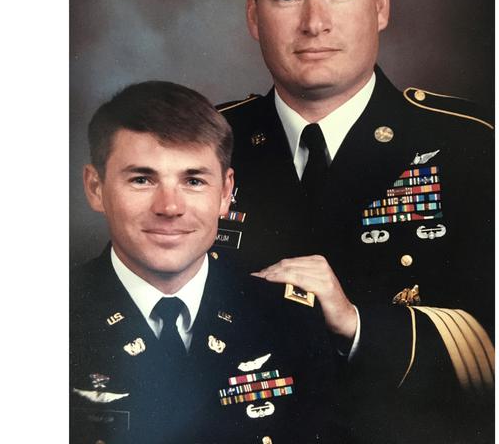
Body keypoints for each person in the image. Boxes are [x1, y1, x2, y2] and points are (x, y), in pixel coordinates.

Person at [216, 0, 495, 442]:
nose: (314, 23)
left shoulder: (472, 146)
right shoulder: (207, 146)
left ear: (381, 3)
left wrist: (357, 324)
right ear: (253, 13)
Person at [70, 81, 342, 444]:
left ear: (226, 193)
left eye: (193, 181)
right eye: (141, 179)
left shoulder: (289, 320)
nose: (169, 207)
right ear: (95, 187)